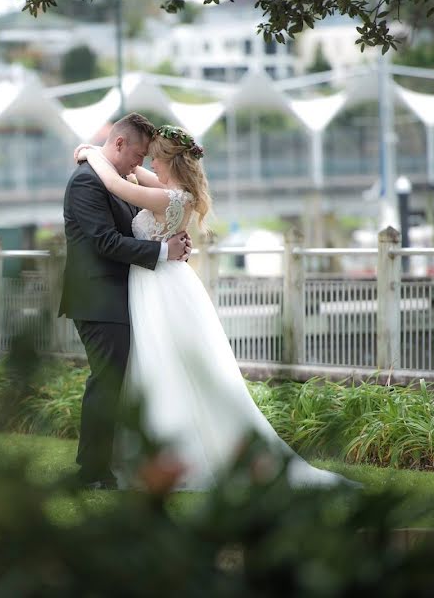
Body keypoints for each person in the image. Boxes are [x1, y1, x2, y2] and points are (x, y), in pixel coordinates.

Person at [73, 124, 354, 490]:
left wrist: (92, 152)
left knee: (162, 365)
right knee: (158, 365)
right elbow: (129, 172)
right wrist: (105, 154)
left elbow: (117, 184)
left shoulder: (167, 198)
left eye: (155, 158)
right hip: (161, 283)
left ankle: (163, 457)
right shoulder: (176, 192)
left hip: (158, 286)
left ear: (169, 162)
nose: (149, 164)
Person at [58, 113, 192, 490]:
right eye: (138, 153)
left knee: (118, 383)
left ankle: (114, 464)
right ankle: (93, 472)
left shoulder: (119, 180)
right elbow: (105, 242)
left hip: (122, 297)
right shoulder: (86, 182)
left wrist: (166, 245)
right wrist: (163, 251)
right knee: (106, 382)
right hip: (98, 298)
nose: (141, 161)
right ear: (119, 144)